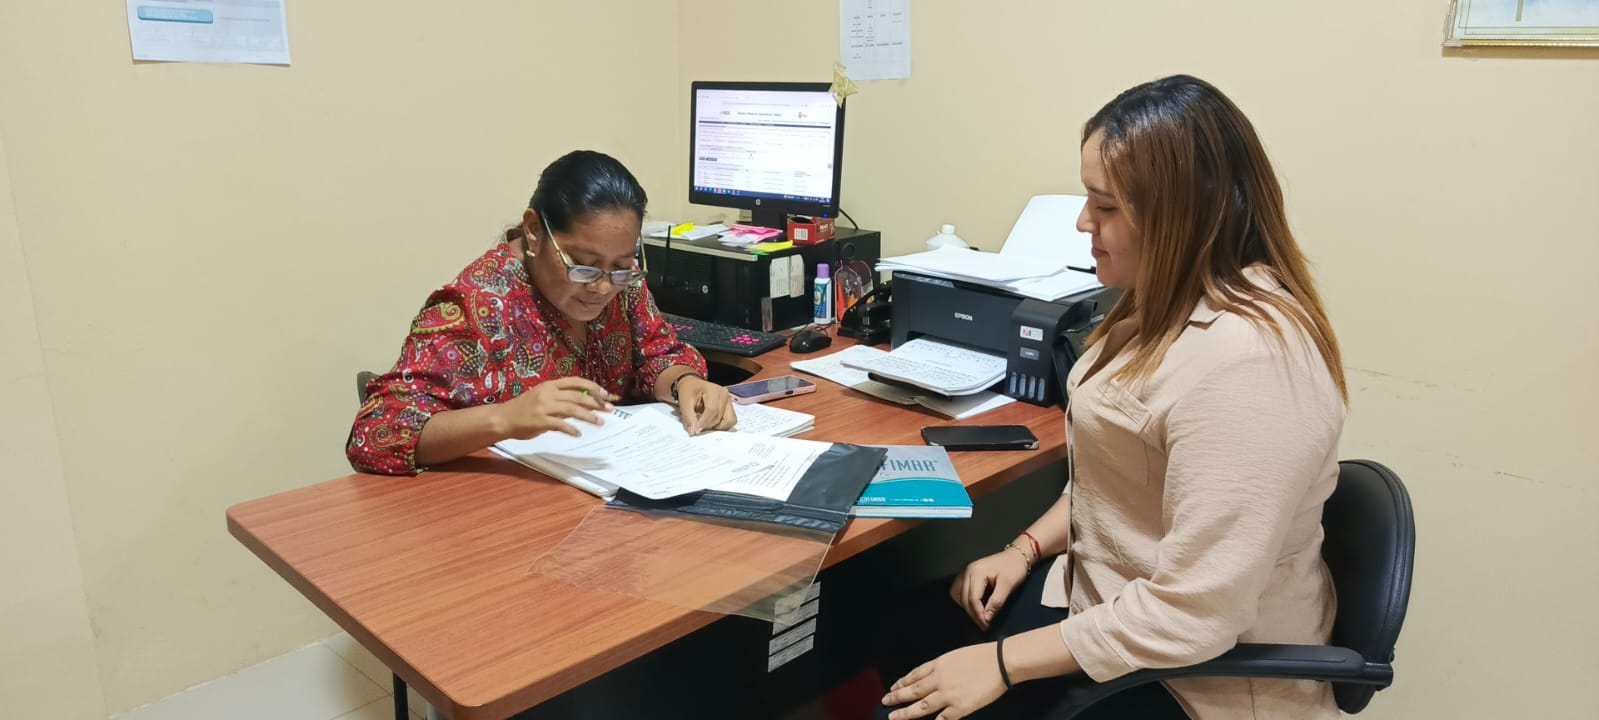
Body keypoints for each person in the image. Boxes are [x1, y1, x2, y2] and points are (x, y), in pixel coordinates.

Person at [877, 75, 1348, 720]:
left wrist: (1002, 663)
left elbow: (1195, 616)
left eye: (1105, 207)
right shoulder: (1159, 304)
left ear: (1183, 216)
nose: (1083, 222)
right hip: (1107, 606)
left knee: (909, 700)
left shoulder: (1250, 363)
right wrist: (1023, 549)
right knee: (902, 628)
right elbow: (1118, 483)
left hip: (1191, 679)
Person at [347, 150, 735, 475]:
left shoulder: (623, 284)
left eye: (621, 265)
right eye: (583, 266)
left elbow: (657, 354)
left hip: (615, 487)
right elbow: (375, 433)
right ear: (533, 231)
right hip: (510, 514)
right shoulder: (477, 304)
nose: (603, 287)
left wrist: (685, 383)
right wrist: (507, 419)